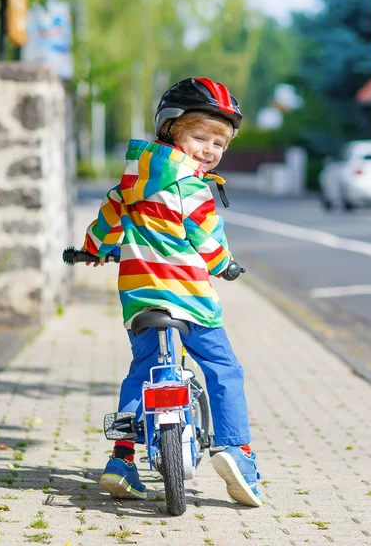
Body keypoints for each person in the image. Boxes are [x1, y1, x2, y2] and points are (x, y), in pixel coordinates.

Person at [82, 78, 261, 507]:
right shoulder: (192, 186)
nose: (209, 149)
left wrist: (93, 249)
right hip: (189, 296)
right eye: (200, 136)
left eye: (219, 143)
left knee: (141, 371)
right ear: (170, 130)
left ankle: (122, 458)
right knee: (223, 367)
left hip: (140, 296)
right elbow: (205, 236)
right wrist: (224, 265)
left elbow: (107, 221)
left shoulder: (131, 181)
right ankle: (238, 451)